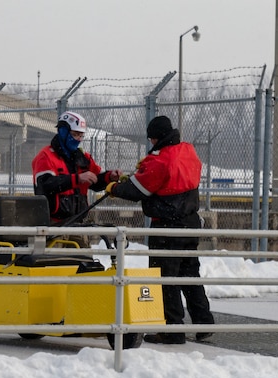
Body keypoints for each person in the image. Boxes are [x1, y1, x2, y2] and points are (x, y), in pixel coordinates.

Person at [104, 115, 214, 344]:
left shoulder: (159, 161)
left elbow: (138, 191)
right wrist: (140, 173)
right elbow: (163, 179)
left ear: (157, 137)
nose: (151, 143)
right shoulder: (188, 151)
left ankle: (172, 331)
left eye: (152, 139)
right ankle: (204, 323)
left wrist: (115, 187)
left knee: (165, 278)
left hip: (167, 225)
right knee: (189, 275)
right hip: (190, 222)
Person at [32, 111, 122, 238]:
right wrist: (76, 179)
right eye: (75, 135)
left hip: (78, 223)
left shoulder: (83, 157)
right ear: (63, 132)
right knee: (54, 257)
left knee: (84, 257)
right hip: (52, 225)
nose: (78, 140)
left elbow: (97, 179)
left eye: (81, 136)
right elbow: (46, 184)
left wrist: (109, 177)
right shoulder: (45, 156)